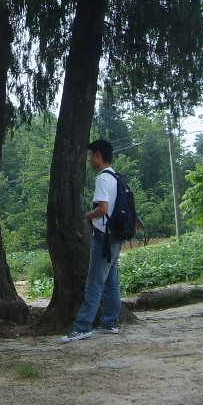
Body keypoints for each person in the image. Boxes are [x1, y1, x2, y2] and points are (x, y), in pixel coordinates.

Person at [61, 138, 122, 342]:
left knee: (94, 284)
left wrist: (86, 216)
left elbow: (102, 209)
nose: (90, 160)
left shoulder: (102, 179)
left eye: (91, 156)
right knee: (111, 281)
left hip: (103, 237)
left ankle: (83, 326)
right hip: (115, 236)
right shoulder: (116, 177)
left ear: (98, 155)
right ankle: (111, 322)